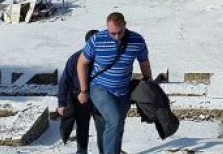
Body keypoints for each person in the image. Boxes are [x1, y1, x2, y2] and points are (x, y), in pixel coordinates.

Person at [78, 12, 152, 154]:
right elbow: (81, 63)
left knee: (119, 125)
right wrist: (83, 90)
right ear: (107, 27)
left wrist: (148, 82)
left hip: (123, 91)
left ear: (125, 25)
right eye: (112, 33)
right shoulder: (97, 40)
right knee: (115, 121)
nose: (116, 37)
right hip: (100, 88)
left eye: (120, 32)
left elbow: (144, 62)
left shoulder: (137, 40)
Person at [57, 29, 105, 154]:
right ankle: (82, 151)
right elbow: (64, 82)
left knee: (103, 126)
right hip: (80, 98)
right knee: (82, 126)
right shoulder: (75, 59)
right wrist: (62, 103)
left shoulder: (106, 58)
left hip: (100, 98)